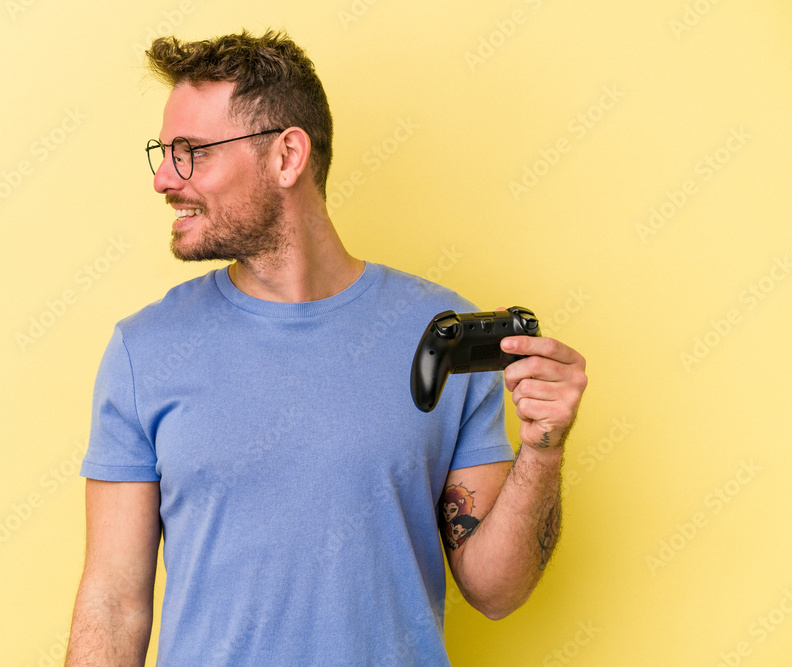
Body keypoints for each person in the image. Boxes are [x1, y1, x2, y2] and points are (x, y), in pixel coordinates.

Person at [64, 29, 587, 667]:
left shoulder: (439, 338)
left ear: (287, 156)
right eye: (164, 153)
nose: (163, 179)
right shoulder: (144, 351)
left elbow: (497, 591)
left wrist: (543, 449)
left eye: (191, 152)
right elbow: (114, 602)